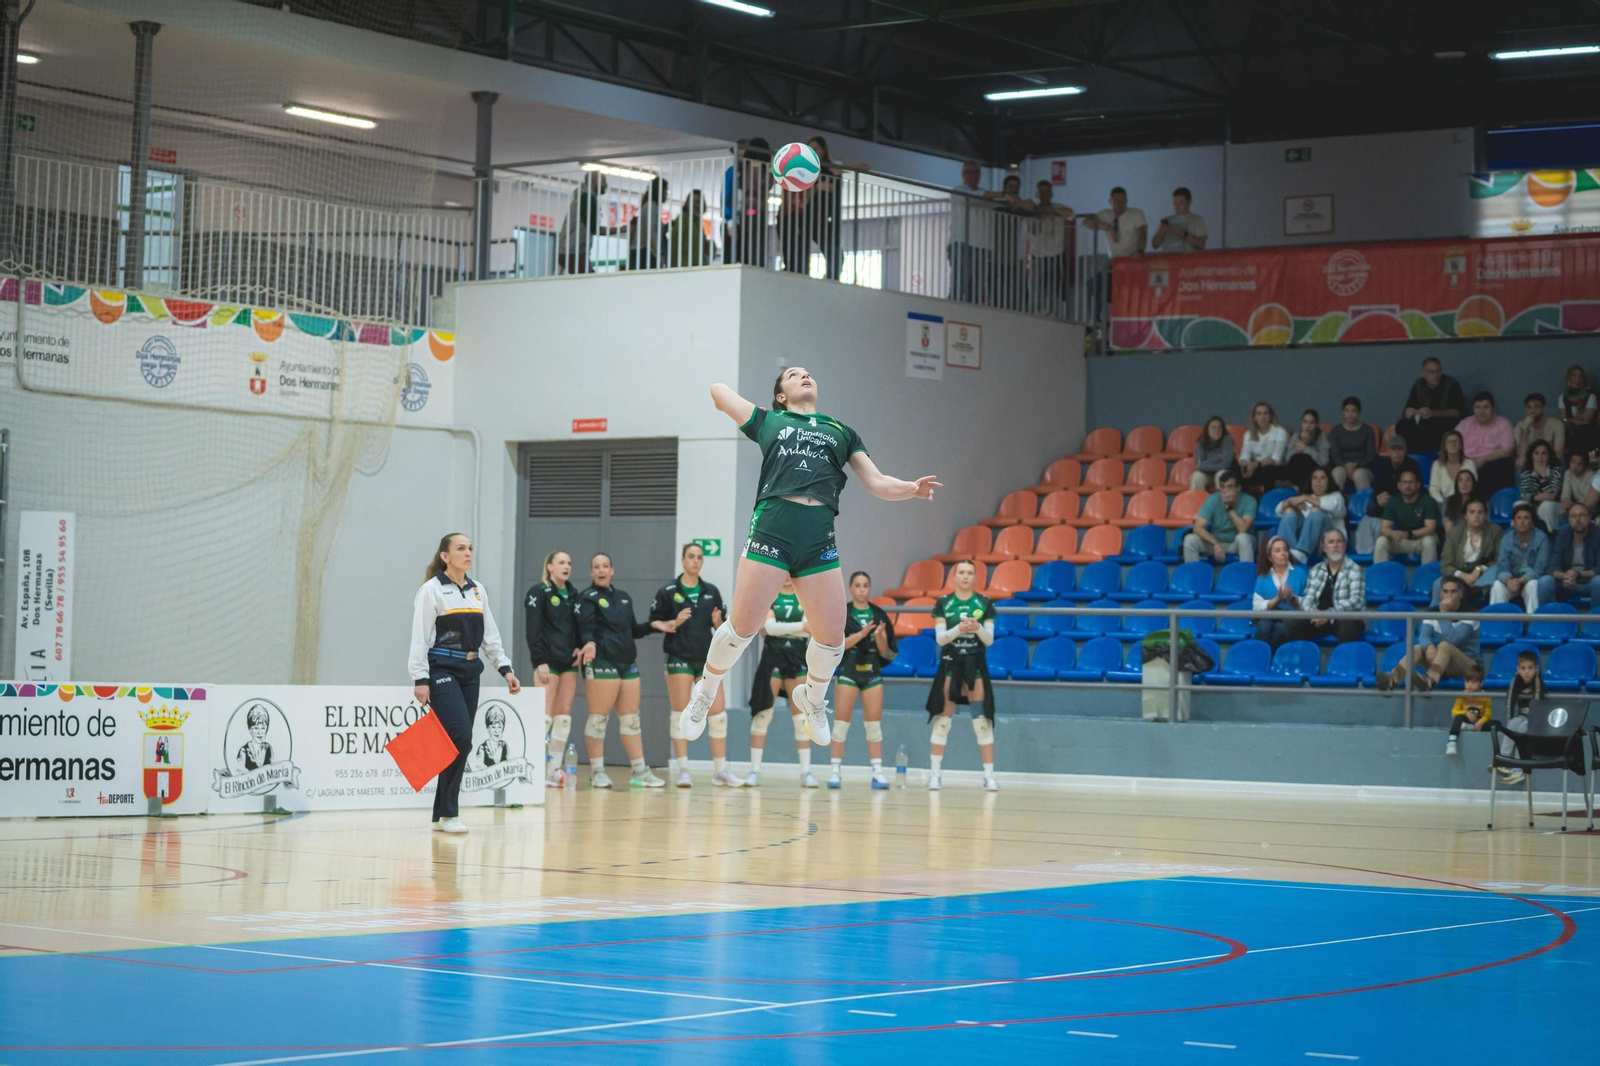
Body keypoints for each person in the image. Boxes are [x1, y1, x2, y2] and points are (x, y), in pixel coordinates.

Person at [677, 367, 939, 747]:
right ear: (780, 394)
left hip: (817, 536)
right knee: (742, 629)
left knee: (833, 638)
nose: (805, 376)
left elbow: (878, 482)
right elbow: (718, 392)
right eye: (793, 375)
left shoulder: (841, 431)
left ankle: (813, 699)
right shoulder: (770, 422)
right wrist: (749, 407)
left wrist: (911, 489)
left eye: (808, 374)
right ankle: (704, 691)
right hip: (773, 526)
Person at [408, 533, 521, 834]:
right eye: (461, 548)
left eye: (470, 548)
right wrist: (420, 678)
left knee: (454, 742)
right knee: (462, 736)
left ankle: (439, 814)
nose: (468, 552)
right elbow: (419, 637)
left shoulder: (478, 590)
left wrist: (505, 668)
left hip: (471, 671)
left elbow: (490, 635)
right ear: (445, 556)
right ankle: (449, 813)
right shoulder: (431, 591)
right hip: (441, 668)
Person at [650, 543, 744, 789]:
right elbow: (654, 621)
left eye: (699, 557)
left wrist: (718, 621)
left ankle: (721, 771)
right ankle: (683, 770)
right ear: (683, 560)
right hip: (679, 657)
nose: (695, 561)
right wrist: (673, 621)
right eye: (691, 557)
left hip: (706, 661)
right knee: (680, 713)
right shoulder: (668, 590)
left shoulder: (711, 591)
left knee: (718, 716)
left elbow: (722, 627)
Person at [576, 553, 665, 789]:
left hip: (627, 663)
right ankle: (597, 772)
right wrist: (590, 644)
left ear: (612, 570)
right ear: (591, 572)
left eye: (605, 566)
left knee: (631, 720)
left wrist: (652, 626)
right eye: (596, 567)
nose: (601, 570)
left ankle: (640, 772)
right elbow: (586, 629)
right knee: (598, 720)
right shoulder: (587, 598)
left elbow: (632, 629)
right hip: (601, 661)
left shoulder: (624, 598)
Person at [925, 560, 998, 792]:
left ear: (975, 577)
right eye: (961, 573)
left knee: (982, 723)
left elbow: (989, 640)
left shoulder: (984, 603)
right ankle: (935, 774)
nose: (965, 576)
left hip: (975, 664)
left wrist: (977, 629)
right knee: (943, 720)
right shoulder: (944, 603)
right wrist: (959, 629)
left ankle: (988, 775)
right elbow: (940, 639)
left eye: (970, 573)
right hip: (950, 663)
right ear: (954, 577)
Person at [830, 571, 897, 789]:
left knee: (874, 726)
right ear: (850, 588)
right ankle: (835, 770)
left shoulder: (878, 615)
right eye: (857, 585)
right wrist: (861, 634)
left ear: (870, 588)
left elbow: (887, 654)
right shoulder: (843, 613)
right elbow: (837, 647)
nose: (861, 589)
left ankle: (877, 772)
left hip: (872, 672)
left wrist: (879, 638)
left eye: (865, 585)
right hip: (848, 670)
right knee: (840, 724)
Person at [746, 580, 816, 787]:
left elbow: (809, 628)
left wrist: (779, 628)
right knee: (762, 715)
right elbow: (767, 627)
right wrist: (799, 627)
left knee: (801, 718)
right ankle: (755, 771)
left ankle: (806, 772)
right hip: (773, 656)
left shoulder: (805, 596)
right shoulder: (769, 595)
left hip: (797, 656)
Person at [525, 549, 582, 786]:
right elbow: (533, 629)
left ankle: (554, 768)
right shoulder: (538, 592)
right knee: (545, 716)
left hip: (568, 662)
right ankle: (536, 768)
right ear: (550, 566)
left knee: (563, 718)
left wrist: (580, 646)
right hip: (548, 662)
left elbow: (578, 626)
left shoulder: (574, 594)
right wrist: (540, 661)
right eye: (561, 562)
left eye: (569, 562)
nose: (566, 566)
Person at [1376, 575, 1479, 692]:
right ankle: (1393, 679)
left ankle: (1430, 680)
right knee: (1418, 648)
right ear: (1440, 594)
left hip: (1469, 666)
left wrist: (1443, 614)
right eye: (1445, 592)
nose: (1449, 596)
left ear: (1461, 594)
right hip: (1442, 663)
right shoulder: (1432, 612)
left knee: (1444, 645)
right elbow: (1424, 636)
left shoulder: (1471, 613)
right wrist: (1429, 646)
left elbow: (1453, 640)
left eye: (1453, 592)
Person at [1286, 527, 1366, 644]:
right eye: (1331, 542)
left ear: (1344, 546)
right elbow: (1308, 597)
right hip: (1318, 616)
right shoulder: (1316, 569)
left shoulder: (1355, 569)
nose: (1336, 545)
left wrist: (1330, 613)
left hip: (1342, 617)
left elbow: (1356, 601)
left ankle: (1343, 661)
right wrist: (1314, 613)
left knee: (1349, 624)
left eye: (1339, 541)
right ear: (1324, 548)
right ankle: (1304, 658)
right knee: (1291, 621)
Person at [1353, 435, 1422, 555]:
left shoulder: (1413, 466)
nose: (1397, 453)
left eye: (1400, 449)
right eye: (1394, 449)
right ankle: (1365, 553)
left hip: (1406, 503)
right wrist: (1379, 497)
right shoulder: (1382, 465)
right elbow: (1377, 489)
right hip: (1385, 505)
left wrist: (1394, 499)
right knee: (1368, 515)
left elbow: (1417, 491)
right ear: (1389, 451)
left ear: (1405, 451)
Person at [1182, 469, 1257, 563]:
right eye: (1223, 487)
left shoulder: (1249, 501)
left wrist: (1230, 508)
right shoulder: (1213, 499)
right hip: (1217, 541)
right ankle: (1193, 575)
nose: (1225, 491)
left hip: (1237, 543)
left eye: (1230, 487)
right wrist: (1216, 544)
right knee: (1190, 540)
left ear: (1238, 488)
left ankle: (1246, 574)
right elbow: (1198, 528)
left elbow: (1242, 529)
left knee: (1243, 538)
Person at [947, 159, 995, 302]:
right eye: (968, 172)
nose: (971, 175)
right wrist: (1004, 194)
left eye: (975, 172)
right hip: (961, 243)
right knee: (959, 284)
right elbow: (978, 197)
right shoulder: (958, 191)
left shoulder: (985, 196)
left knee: (977, 286)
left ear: (980, 174)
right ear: (962, 175)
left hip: (981, 246)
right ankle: (952, 309)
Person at [1438, 498, 1501, 607]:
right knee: (1437, 584)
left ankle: (1474, 592)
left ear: (1485, 515)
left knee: (1496, 570)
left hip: (1483, 575)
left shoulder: (1495, 531)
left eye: (1480, 512)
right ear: (1465, 516)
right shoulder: (1454, 533)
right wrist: (1464, 576)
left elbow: (1499, 559)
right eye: (1472, 512)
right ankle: (1433, 618)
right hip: (1460, 574)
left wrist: (1480, 569)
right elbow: (1445, 564)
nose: (1476, 515)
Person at [1276, 466, 1345, 565]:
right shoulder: (1306, 497)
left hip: (1327, 541)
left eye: (1322, 478)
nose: (1318, 481)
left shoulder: (1336, 496)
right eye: (1315, 478)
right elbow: (1278, 510)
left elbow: (1331, 506)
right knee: (1289, 512)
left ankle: (1302, 553)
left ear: (1329, 481)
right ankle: (1286, 551)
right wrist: (1289, 504)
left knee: (1316, 511)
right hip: (1306, 540)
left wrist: (1305, 498)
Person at [1487, 502, 1548, 612]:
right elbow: (1502, 566)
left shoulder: (1541, 539)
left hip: (1529, 580)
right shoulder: (1507, 539)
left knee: (1533, 585)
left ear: (1532, 522)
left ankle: (1532, 623)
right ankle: (1497, 625)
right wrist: (1508, 580)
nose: (1522, 521)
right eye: (1518, 518)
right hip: (1512, 580)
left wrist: (1521, 581)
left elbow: (1540, 568)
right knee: (1497, 585)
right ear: (1514, 522)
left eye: (1526, 518)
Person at [1397, 355, 1465, 453]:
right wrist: (1409, 412)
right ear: (1424, 373)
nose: (1436, 375)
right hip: (1424, 421)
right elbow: (1409, 406)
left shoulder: (1451, 384)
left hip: (1444, 422)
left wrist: (1433, 413)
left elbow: (1458, 412)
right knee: (1402, 425)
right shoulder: (1419, 385)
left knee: (1433, 427)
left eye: (1438, 371)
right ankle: (1414, 456)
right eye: (1432, 372)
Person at [1538, 500, 1600, 607]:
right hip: (1567, 582)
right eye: (1573, 516)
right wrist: (1566, 575)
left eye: (1582, 515)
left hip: (1589, 582)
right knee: (1545, 581)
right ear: (1568, 520)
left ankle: (1595, 620)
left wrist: (1578, 574)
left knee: (1598, 582)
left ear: (1590, 518)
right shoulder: (1562, 536)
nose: (1577, 520)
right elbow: (1552, 567)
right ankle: (1548, 620)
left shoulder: (1598, 535)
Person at [1373, 468, 1439, 564]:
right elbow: (1384, 529)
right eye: (1404, 482)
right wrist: (1393, 534)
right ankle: (1382, 576)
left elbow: (1430, 529)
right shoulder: (1393, 501)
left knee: (1429, 541)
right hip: (1402, 540)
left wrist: (1409, 534)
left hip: (1421, 539)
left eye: (1411, 482)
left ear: (1418, 485)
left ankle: (1427, 576)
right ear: (1399, 486)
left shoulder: (1428, 501)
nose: (1407, 486)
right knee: (1381, 541)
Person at [1456, 391, 1516, 496]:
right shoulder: (1465, 424)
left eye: (1485, 407)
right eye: (1478, 407)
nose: (1481, 411)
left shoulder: (1503, 423)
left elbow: (1508, 450)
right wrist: (1469, 462)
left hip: (1493, 464)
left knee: (1503, 464)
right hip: (1466, 463)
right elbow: (1453, 443)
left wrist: (1483, 459)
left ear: (1493, 408)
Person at [723, 137, 771, 266]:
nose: (740, 153)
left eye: (743, 150)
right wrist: (730, 222)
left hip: (747, 215)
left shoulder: (753, 169)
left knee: (749, 253)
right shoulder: (733, 171)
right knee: (734, 256)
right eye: (737, 151)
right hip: (736, 218)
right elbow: (727, 198)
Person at [559, 170, 618, 275]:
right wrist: (621, 229)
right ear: (595, 182)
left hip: (570, 251)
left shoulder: (583, 197)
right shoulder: (587, 199)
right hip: (574, 252)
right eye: (603, 181)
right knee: (589, 281)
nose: (605, 185)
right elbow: (595, 229)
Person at [1028, 179, 1074, 314]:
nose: (1044, 194)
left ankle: (1053, 317)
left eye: (1047, 191)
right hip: (1037, 256)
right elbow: (1030, 233)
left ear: (1051, 193)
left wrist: (1052, 211)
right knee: (1036, 292)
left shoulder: (1059, 207)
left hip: (1056, 257)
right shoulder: (1032, 211)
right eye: (1041, 191)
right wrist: (1039, 214)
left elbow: (1071, 214)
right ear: (1037, 194)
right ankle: (1037, 316)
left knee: (1055, 293)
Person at [1251, 537, 1306, 647]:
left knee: (1280, 630)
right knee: (1264, 627)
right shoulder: (1263, 577)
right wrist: (1276, 599)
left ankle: (1273, 660)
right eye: (1277, 551)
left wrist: (1293, 598)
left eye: (1285, 550)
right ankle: (1263, 659)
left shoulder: (1300, 574)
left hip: (1291, 618)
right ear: (1270, 557)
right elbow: (1256, 607)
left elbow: (1309, 603)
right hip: (1269, 614)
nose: (1283, 553)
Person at [1238, 401, 1290, 495]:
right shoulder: (1249, 434)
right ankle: (1245, 504)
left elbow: (1276, 459)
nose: (1262, 417)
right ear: (1254, 418)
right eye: (1259, 414)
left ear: (1270, 416)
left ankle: (1267, 503)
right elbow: (1244, 455)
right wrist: (1245, 465)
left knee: (1267, 471)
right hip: (1256, 468)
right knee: (1239, 472)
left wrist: (1256, 464)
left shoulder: (1280, 432)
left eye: (1266, 413)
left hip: (1276, 468)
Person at [1081, 185, 1146, 259]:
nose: (1120, 204)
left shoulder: (1136, 213)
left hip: (1132, 259)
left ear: (1126, 201)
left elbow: (1143, 233)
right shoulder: (1105, 214)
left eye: (1122, 201)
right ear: (1110, 201)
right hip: (1114, 261)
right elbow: (1087, 222)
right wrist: (1108, 227)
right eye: (1116, 201)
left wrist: (1140, 250)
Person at [1328, 396, 1376, 492]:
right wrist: (1346, 466)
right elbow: (1335, 457)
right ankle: (1334, 505)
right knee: (1338, 472)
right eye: (1347, 411)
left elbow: (1370, 457)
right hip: (1341, 466)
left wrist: (1356, 465)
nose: (1350, 414)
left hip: (1363, 467)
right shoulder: (1336, 431)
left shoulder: (1368, 430)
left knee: (1359, 474)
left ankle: (1364, 505)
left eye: (1354, 411)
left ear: (1359, 412)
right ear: (1343, 412)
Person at [1444, 663, 1491, 756]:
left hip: (1479, 722)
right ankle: (1452, 741)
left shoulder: (1485, 696)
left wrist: (1481, 721)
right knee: (1458, 718)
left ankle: (1471, 728)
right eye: (1467, 682)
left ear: (1481, 683)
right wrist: (1466, 713)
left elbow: (1488, 713)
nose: (1469, 685)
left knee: (1496, 724)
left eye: (1473, 682)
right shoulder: (1462, 695)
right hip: (1467, 719)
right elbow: (1454, 711)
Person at [1518, 439, 1564, 532]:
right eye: (1536, 453)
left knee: (1546, 505)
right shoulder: (1526, 471)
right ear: (1531, 455)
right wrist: (1537, 498)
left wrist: (1543, 475)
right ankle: (1521, 536)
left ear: (1549, 455)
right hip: (1533, 504)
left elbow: (1553, 494)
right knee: (1519, 505)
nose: (1540, 457)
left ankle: (1550, 535)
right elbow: (1524, 495)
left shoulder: (1555, 470)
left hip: (1553, 506)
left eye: (1544, 453)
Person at [625, 176, 669, 271]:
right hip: (644, 254)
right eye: (666, 191)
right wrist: (660, 254)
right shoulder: (651, 206)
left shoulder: (652, 206)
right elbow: (651, 233)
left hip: (643, 253)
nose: (667, 194)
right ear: (660, 191)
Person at [1150, 186, 1208, 253]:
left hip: (1188, 261)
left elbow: (1201, 244)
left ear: (1189, 202)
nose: (1177, 206)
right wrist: (1161, 232)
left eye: (1180, 203)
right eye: (1175, 203)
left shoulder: (1197, 220)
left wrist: (1182, 233)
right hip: (1169, 261)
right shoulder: (1166, 221)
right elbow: (1155, 245)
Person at [1514, 392, 1564, 468]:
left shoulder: (1556, 425)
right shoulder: (1520, 425)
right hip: (1530, 464)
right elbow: (1521, 455)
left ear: (1543, 408)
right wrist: (1526, 430)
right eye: (1529, 407)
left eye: (1536, 407)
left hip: (1550, 463)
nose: (1532, 410)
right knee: (1520, 462)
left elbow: (1558, 454)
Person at [1560, 364, 1599, 460]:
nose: (1577, 379)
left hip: (1588, 433)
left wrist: (1569, 421)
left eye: (1580, 376)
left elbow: (1587, 420)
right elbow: (1562, 419)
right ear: (1569, 378)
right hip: (1569, 433)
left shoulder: (1590, 397)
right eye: (1574, 376)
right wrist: (1576, 419)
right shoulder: (1563, 398)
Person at [667, 188, 713, 268]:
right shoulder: (684, 220)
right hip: (683, 267)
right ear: (688, 204)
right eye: (694, 202)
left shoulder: (697, 222)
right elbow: (675, 244)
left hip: (693, 267)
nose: (696, 205)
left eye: (699, 202)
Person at [1286, 409, 1331, 491]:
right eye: (1305, 422)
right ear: (1301, 423)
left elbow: (1324, 461)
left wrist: (1306, 448)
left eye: (1311, 423)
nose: (1307, 426)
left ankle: (1300, 490)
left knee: (1303, 458)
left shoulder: (1321, 436)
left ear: (1317, 424)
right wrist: (1303, 442)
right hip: (1296, 471)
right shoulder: (1296, 436)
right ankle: (1298, 488)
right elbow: (1288, 458)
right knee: (1297, 458)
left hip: (1314, 470)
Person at [1428, 430, 1477, 504]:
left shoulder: (1469, 464)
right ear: (1444, 446)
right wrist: (1443, 503)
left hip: (1466, 504)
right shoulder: (1437, 464)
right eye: (1449, 442)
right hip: (1443, 504)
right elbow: (1433, 489)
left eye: (1455, 441)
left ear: (1461, 445)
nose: (1452, 444)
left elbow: (1473, 487)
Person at [1190, 414, 1235, 491]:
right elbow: (1198, 465)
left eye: (1219, 427)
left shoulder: (1227, 440)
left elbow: (1226, 465)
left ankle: (1222, 502)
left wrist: (1204, 465)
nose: (1216, 430)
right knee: (1196, 477)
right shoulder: (1202, 441)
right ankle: (1198, 502)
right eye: (1213, 427)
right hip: (1207, 474)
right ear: (1207, 429)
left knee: (1221, 475)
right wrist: (1217, 458)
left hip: (1224, 472)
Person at [1441, 468, 1481, 535]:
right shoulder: (1448, 501)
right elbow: (1448, 529)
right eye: (1460, 480)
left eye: (1468, 480)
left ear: (1473, 483)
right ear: (1457, 484)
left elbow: (1483, 526)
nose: (1464, 483)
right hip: (1455, 539)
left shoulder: (1481, 502)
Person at [1559, 449, 1593, 520]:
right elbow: (1566, 492)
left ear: (1585, 465)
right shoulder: (1568, 473)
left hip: (1589, 506)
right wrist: (1565, 501)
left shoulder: (1590, 475)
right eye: (1573, 462)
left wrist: (1572, 506)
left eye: (1579, 464)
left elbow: (1587, 499)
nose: (1575, 466)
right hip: (1573, 505)